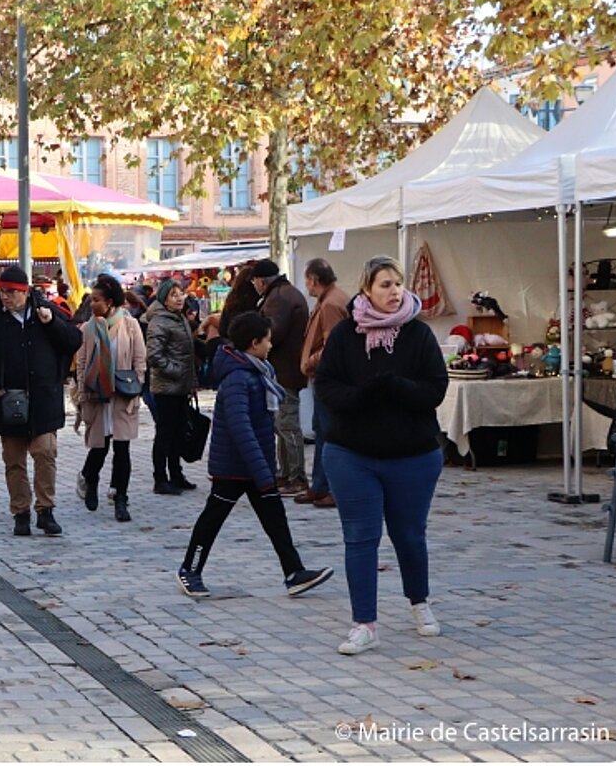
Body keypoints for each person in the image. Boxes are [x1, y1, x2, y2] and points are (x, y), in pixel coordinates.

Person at [314, 256, 448, 655]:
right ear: (366, 290)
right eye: (385, 285)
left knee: (409, 535)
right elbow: (326, 386)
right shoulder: (345, 334)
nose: (394, 291)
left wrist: (399, 388)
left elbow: (436, 388)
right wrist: (363, 396)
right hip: (352, 454)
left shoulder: (418, 333)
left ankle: (419, 602)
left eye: (398, 284)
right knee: (360, 536)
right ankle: (364, 624)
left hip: (413, 454)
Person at [176, 312, 333, 598]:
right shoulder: (238, 378)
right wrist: (263, 469)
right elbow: (240, 428)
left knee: (275, 519)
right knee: (213, 518)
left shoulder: (257, 372)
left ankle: (294, 572)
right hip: (233, 467)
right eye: (268, 341)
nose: (271, 346)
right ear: (254, 343)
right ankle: (189, 570)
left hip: (255, 465)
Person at [0, 265, 82, 537]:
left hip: (44, 399)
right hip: (9, 402)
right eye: (2, 291)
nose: (5, 297)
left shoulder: (46, 312)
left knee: (45, 453)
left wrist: (51, 324)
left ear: (25, 292)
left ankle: (46, 510)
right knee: (14, 461)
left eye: (11, 292)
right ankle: (21, 512)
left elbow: (73, 341)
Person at [74, 274, 146, 523]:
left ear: (110, 302)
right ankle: (90, 479)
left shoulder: (130, 325)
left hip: (123, 394)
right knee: (99, 447)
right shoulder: (88, 328)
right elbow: (82, 361)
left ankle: (121, 497)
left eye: (97, 299)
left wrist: (137, 386)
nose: (92, 303)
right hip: (97, 394)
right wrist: (82, 391)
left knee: (122, 448)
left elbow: (140, 359)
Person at [251, 259, 310, 495]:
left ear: (261, 281)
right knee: (283, 425)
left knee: (287, 425)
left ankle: (297, 477)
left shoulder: (278, 298)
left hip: (285, 371)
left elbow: (272, 333)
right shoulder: (284, 293)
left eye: (254, 281)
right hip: (287, 369)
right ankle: (286, 474)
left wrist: (252, 340)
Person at [295, 258, 349, 508]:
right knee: (322, 431)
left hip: (328, 377)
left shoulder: (331, 304)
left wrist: (310, 362)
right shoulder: (330, 299)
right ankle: (319, 485)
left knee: (329, 434)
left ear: (314, 280)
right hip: (324, 377)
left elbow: (333, 344)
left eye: (307, 280)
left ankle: (330, 487)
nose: (306, 285)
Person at [144, 278, 205, 495]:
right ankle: (160, 478)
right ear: (164, 299)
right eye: (173, 295)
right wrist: (176, 371)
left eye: (181, 293)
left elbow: (188, 355)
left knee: (178, 432)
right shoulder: (160, 321)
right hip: (166, 388)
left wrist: (191, 382)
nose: (179, 298)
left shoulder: (179, 318)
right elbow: (154, 355)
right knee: (165, 434)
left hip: (181, 387)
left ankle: (176, 474)